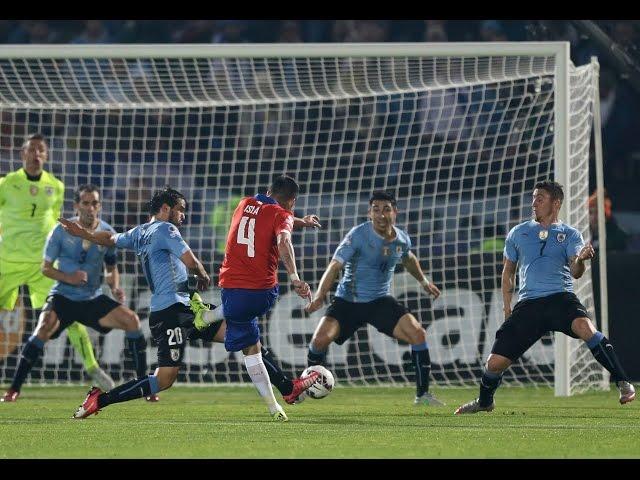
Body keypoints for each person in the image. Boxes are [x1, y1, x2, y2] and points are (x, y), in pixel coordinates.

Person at [455, 181, 636, 414]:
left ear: (556, 203)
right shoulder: (518, 232)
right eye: (533, 198)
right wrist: (507, 306)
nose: (534, 203)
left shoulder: (570, 234)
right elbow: (508, 272)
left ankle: (623, 382)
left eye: (540, 198)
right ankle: (485, 401)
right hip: (529, 304)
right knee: (494, 364)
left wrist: (580, 259)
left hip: (560, 299)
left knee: (586, 327)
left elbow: (575, 272)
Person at [62, 187, 220, 419]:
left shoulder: (139, 232)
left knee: (242, 333)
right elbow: (191, 261)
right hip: (172, 312)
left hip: (183, 308)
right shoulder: (167, 228)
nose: (183, 215)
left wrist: (84, 233)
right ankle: (101, 399)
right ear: (166, 209)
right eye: (180, 210)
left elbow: (110, 239)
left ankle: (287, 387)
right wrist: (204, 275)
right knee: (164, 379)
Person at [2, 184, 156, 402]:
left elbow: (111, 269)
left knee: (132, 321)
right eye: (85, 203)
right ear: (76, 206)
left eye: (94, 203)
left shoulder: (107, 233)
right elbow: (45, 268)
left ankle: (144, 388)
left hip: (90, 300)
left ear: (99, 206)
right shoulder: (60, 231)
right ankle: (13, 389)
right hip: (63, 297)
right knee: (43, 327)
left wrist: (115, 287)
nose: (90, 208)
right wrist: (69, 278)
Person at [192, 175, 322, 421]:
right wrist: (294, 278)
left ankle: (206, 316)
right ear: (292, 202)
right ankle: (280, 404)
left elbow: (273, 218)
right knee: (253, 350)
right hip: (261, 292)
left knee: (251, 350)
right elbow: (283, 238)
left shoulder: (243, 204)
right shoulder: (281, 215)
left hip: (231, 287)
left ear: (268, 190)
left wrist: (300, 222)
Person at [304, 191, 445, 406]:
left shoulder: (401, 238)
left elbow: (408, 259)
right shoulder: (358, 235)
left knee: (418, 334)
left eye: (386, 209)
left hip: (379, 301)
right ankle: (307, 387)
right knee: (319, 341)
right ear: (369, 213)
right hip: (348, 301)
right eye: (376, 210)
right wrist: (320, 296)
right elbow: (335, 265)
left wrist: (424, 282)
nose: (381, 215)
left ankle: (423, 396)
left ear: (395, 212)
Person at [0, 134, 113, 401]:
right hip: (8, 261)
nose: (36, 155)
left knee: (68, 312)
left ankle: (92, 367)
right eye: (31, 150)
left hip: (42, 264)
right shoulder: (6, 184)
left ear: (46, 156)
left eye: (41, 150)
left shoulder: (56, 186)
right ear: (22, 154)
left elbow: (56, 224)